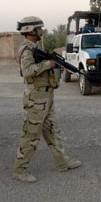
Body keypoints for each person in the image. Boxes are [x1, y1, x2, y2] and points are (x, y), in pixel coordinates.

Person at [12, 16, 81, 183]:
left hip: (46, 97)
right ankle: (20, 170)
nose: (42, 31)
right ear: (31, 31)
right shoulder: (26, 50)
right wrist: (48, 65)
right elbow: (27, 71)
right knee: (31, 135)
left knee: (52, 131)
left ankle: (63, 162)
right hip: (36, 98)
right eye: (39, 28)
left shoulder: (35, 47)